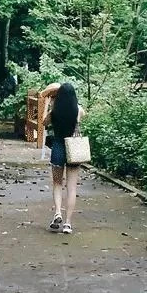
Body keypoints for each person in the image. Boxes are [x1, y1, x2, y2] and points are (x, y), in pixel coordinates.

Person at [43, 79, 85, 235]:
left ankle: (57, 213)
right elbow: (82, 115)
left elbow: (43, 123)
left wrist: (49, 102)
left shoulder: (54, 112)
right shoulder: (78, 110)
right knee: (72, 188)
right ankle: (68, 223)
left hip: (59, 147)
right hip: (74, 148)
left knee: (57, 184)